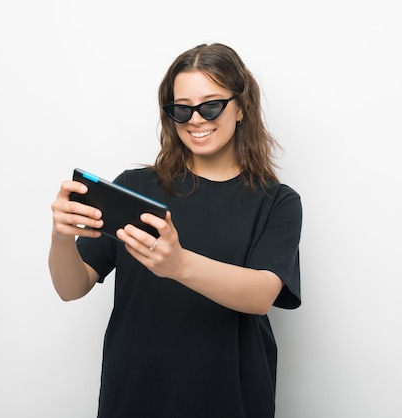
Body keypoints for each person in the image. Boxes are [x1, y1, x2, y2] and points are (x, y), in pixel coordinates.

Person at [49, 43, 302, 418]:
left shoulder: (276, 201)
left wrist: (179, 264)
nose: (196, 120)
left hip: (230, 400)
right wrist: (61, 237)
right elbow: (72, 288)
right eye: (182, 109)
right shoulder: (134, 189)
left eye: (211, 105)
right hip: (134, 398)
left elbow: (261, 295)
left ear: (241, 106)